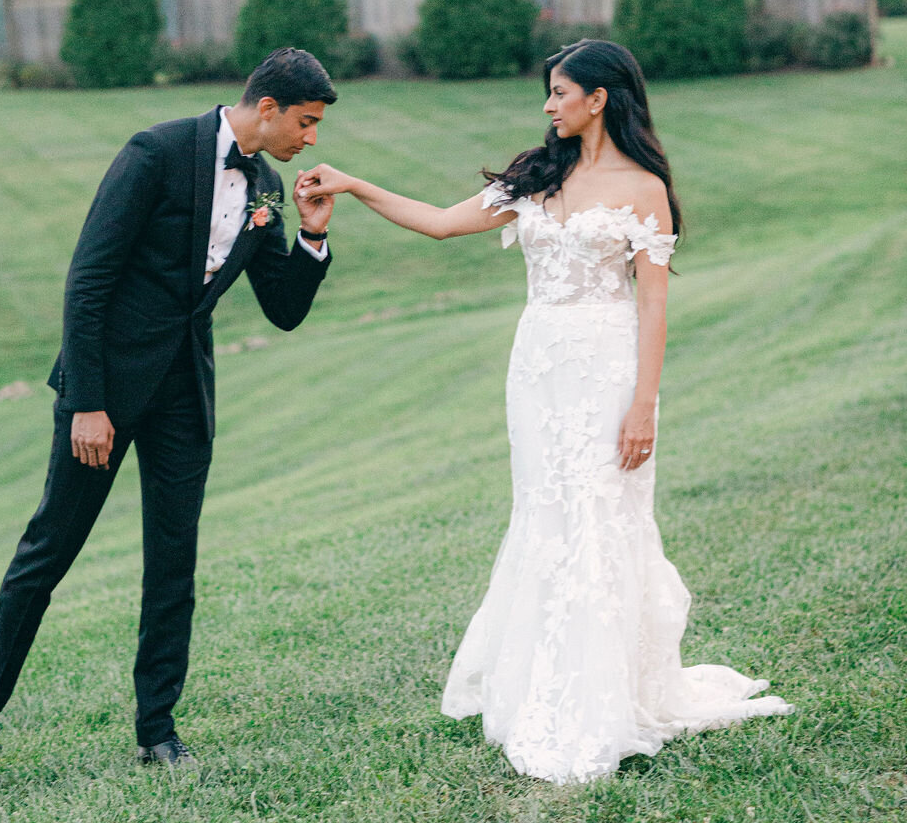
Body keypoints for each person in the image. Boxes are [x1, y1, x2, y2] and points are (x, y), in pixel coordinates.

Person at [297, 39, 791, 784]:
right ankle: (540, 684)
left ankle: (608, 696)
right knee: (546, 513)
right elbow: (437, 222)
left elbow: (653, 304)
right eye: (548, 92)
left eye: (559, 92)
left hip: (608, 368)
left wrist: (643, 407)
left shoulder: (644, 187)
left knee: (600, 513)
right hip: (537, 371)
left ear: (599, 98)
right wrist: (355, 185)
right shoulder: (536, 175)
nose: (548, 104)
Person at [0, 47, 337, 785]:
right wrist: (87, 403)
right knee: (46, 556)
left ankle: (156, 730)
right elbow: (89, 279)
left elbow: (282, 309)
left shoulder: (267, 184)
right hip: (106, 392)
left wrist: (313, 234)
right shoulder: (156, 151)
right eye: (306, 122)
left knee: (173, 564)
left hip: (185, 395)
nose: (309, 138)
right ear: (267, 108)